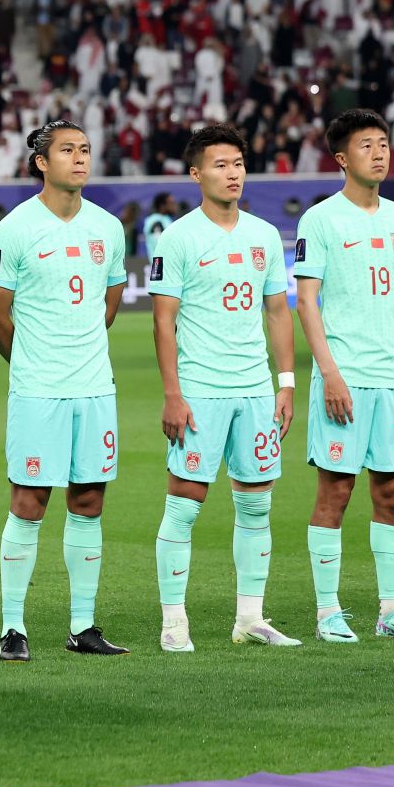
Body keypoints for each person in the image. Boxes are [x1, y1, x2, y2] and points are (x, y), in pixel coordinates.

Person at [0, 119, 129, 662]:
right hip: (38, 389)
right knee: (29, 501)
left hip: (94, 387)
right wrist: (35, 363)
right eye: (68, 150)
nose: (80, 158)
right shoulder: (16, 229)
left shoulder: (108, 228)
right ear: (42, 162)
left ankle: (83, 626)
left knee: (88, 500)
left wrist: (79, 347)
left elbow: (110, 299)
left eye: (86, 149)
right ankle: (13, 626)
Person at [292, 109, 394, 643]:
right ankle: (327, 612)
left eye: (383, 144)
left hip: (391, 381)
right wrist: (329, 374)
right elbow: (306, 303)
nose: (379, 153)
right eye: (366, 146)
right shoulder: (321, 220)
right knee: (336, 491)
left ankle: (391, 611)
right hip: (345, 376)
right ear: (341, 159)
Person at [148, 123, 296, 650]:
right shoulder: (179, 237)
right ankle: (173, 624)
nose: (232, 174)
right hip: (201, 390)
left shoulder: (263, 235)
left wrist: (285, 382)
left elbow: (278, 310)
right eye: (220, 165)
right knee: (185, 504)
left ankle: (250, 619)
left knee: (257, 505)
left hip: (255, 389)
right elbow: (163, 321)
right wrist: (173, 392)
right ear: (196, 174)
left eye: (238, 164)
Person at [140, 192, 176, 259]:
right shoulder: (155, 221)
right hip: (160, 266)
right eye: (171, 203)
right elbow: (158, 244)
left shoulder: (166, 219)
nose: (175, 206)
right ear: (162, 206)